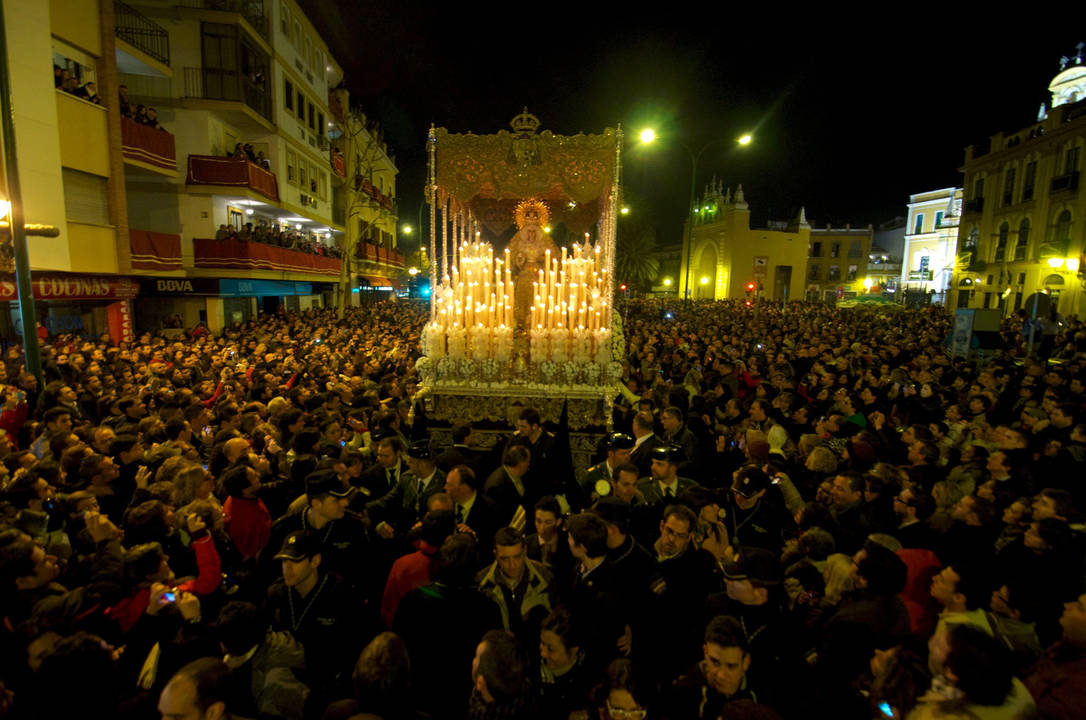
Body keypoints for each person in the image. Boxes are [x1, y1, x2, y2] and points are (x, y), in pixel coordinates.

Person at [476, 526, 555, 646]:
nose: (512, 565)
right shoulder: (482, 583)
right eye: (504, 559)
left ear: (525, 551)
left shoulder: (544, 577)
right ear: (495, 555)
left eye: (517, 557)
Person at [667, 615, 758, 719]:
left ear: (746, 662)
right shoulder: (681, 696)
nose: (721, 675)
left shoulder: (761, 695)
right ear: (705, 652)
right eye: (715, 662)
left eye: (731, 666)